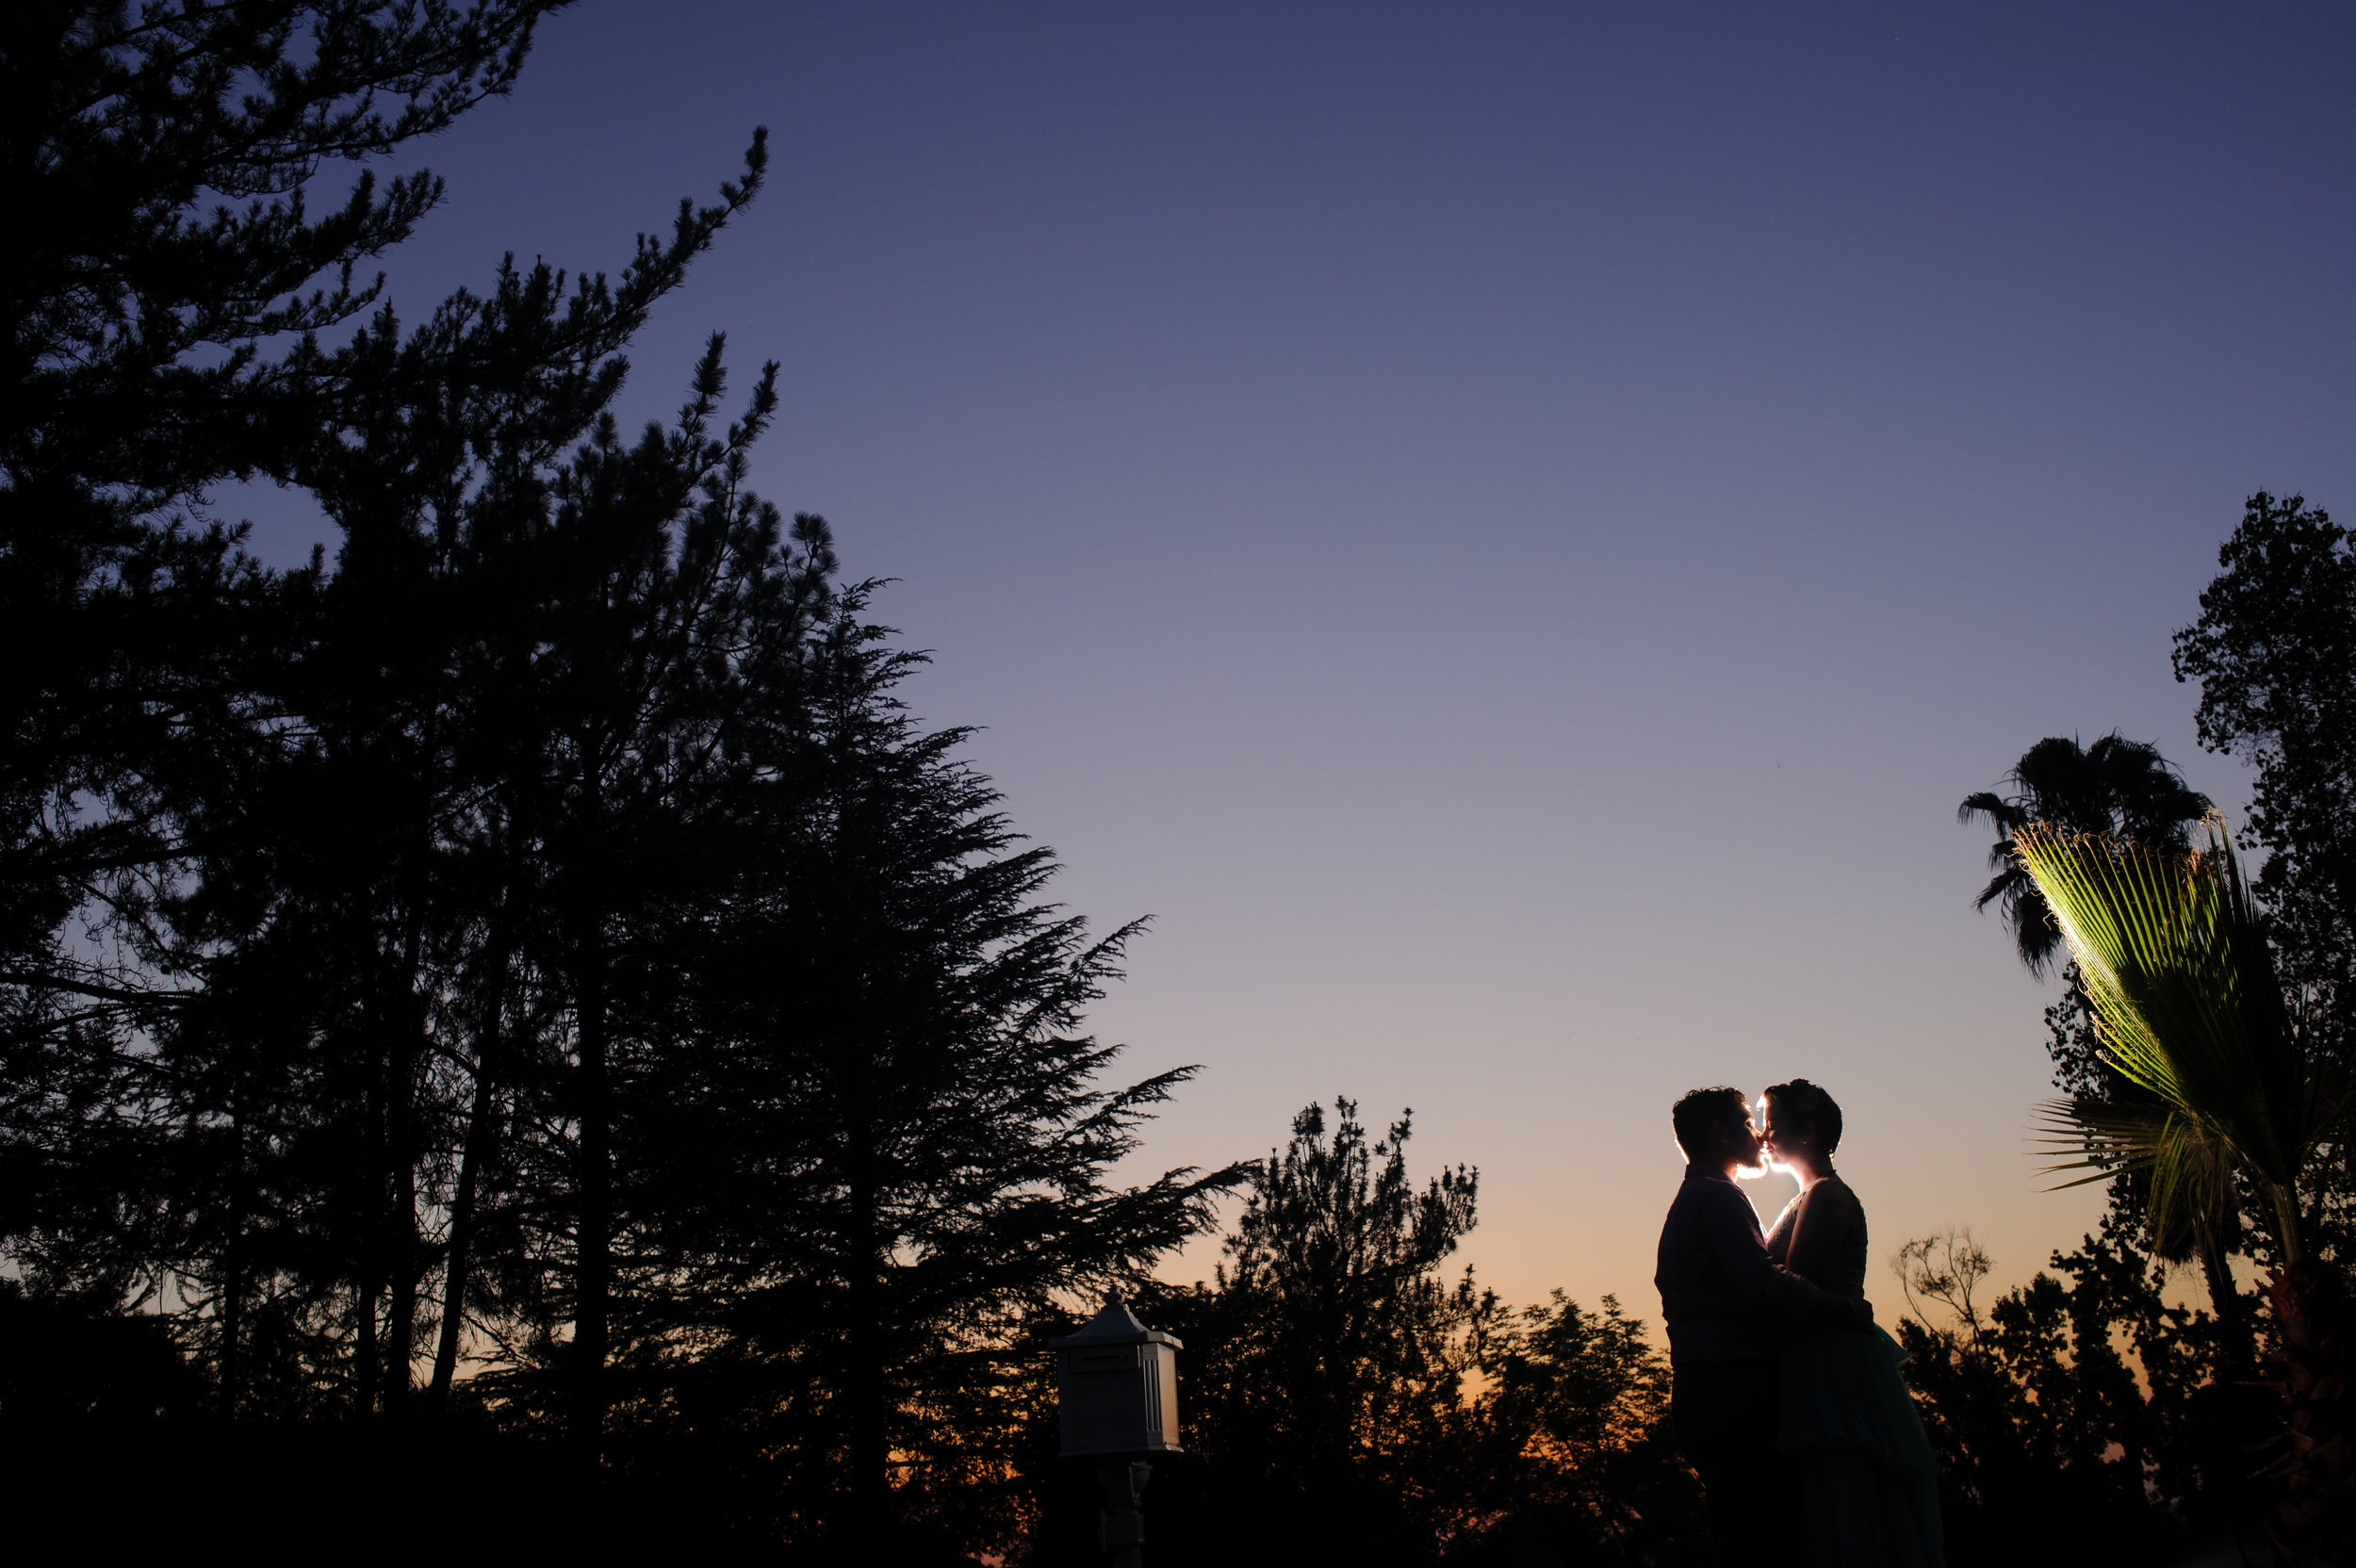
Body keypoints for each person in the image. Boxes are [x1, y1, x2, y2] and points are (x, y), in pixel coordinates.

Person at [1656, 1086, 1873, 1567]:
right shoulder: (1718, 1198)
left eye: (1766, 1120)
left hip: (1719, 1384)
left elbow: (1759, 1289)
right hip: (1729, 1386)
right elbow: (1769, 1289)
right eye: (1746, 1120)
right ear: (1718, 1134)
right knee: (1762, 1530)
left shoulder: (1706, 1195)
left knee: (1754, 1528)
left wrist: (1702, 1304)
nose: (1758, 1132)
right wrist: (1840, 1308)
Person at [1758, 1079, 1944, 1567]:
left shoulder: (1826, 1197)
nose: (1763, 1136)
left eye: (1773, 1125)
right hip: (1817, 1356)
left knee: (1853, 1498)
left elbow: (1795, 1288)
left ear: (1810, 1131)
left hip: (1834, 1361)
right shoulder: (1805, 1198)